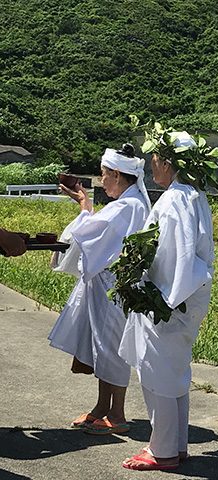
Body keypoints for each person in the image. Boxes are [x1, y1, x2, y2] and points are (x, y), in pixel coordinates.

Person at [119, 131, 214, 471]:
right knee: (175, 372)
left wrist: (156, 295)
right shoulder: (194, 195)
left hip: (168, 299)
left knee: (157, 372)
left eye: (155, 158)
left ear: (168, 163)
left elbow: (174, 255)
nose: (151, 164)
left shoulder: (174, 199)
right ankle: (176, 445)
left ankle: (162, 451)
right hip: (186, 297)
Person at [48, 144, 151, 434]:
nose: (101, 179)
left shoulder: (128, 206)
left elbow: (88, 235)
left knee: (112, 348)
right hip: (107, 285)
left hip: (115, 287)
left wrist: (84, 209)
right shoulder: (128, 203)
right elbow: (97, 234)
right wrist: (86, 209)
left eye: (104, 174)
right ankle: (102, 407)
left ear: (117, 175)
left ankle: (117, 414)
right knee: (102, 347)